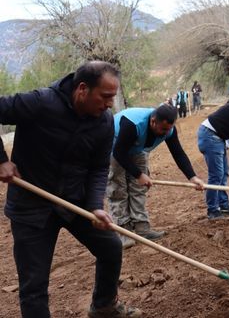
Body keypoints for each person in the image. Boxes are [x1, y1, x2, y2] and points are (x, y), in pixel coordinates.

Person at [0, 61, 141, 317]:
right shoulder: (40, 103)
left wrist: (95, 206)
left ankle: (103, 306)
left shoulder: (104, 122)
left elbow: (99, 168)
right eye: (106, 96)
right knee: (34, 285)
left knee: (111, 247)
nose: (110, 103)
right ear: (83, 89)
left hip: (73, 202)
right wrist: (1, 160)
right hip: (31, 207)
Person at [107, 104, 205, 248]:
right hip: (114, 146)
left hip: (138, 148)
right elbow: (119, 153)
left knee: (139, 188)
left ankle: (142, 229)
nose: (166, 133)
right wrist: (139, 174)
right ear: (153, 121)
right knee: (118, 189)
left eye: (169, 129)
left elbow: (178, 153)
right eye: (164, 129)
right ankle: (124, 233)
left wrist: (192, 177)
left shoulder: (169, 130)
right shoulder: (133, 124)